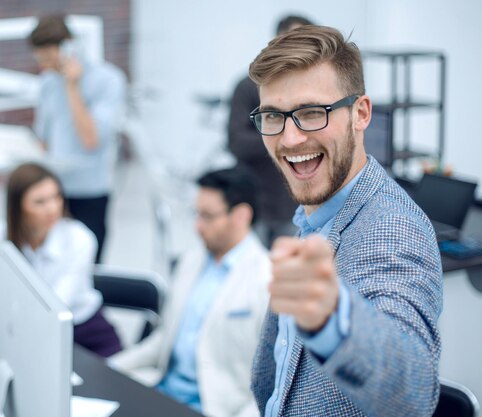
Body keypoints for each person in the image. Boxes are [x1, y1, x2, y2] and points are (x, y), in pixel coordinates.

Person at [247, 26, 443, 416]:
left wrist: (333, 319)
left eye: (311, 113)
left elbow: (413, 394)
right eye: (274, 116)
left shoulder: (391, 229)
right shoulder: (315, 216)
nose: (289, 139)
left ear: (361, 113)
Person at [110, 166, 271, 417]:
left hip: (211, 408)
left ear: (241, 216)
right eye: (197, 214)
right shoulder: (191, 262)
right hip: (160, 391)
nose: (197, 226)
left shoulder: (267, 280)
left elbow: (268, 384)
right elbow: (164, 341)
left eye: (207, 216)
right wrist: (109, 369)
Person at [0, 162, 122, 357]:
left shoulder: (79, 239)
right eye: (40, 202)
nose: (53, 208)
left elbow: (50, 313)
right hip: (31, 336)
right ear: (18, 207)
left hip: (84, 334)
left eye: (56, 197)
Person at [29, 15, 127, 263]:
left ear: (68, 47)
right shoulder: (47, 83)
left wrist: (71, 86)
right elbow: (43, 139)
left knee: (87, 267)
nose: (46, 66)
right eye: (41, 60)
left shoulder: (109, 80)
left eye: (50, 59)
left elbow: (91, 139)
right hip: (54, 192)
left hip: (89, 191)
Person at [227, 14, 314, 246]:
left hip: (294, 204)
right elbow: (237, 143)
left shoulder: (313, 93)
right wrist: (281, 135)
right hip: (254, 202)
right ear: (277, 41)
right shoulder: (247, 88)